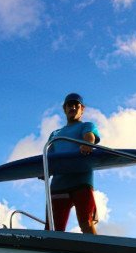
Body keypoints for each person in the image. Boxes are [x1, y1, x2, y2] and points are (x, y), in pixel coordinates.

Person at [44, 92, 102, 233]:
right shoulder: (55, 134)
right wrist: (43, 169)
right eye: (70, 105)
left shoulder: (86, 125)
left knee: (86, 222)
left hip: (81, 181)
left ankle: (95, 246)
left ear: (82, 109)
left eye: (77, 105)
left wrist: (87, 144)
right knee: (52, 228)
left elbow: (89, 137)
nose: (73, 108)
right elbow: (48, 154)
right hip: (59, 184)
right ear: (64, 109)